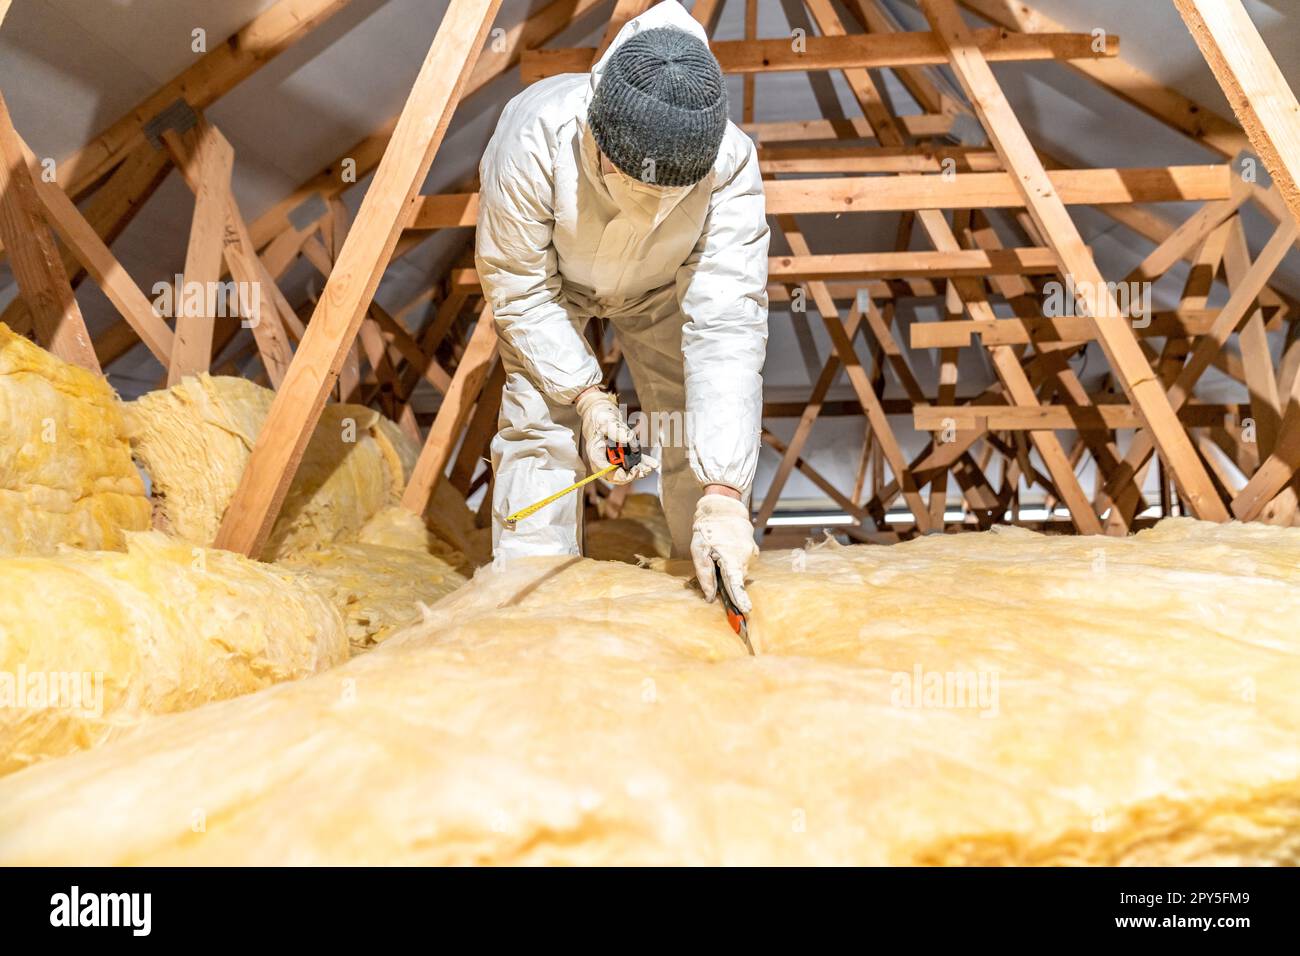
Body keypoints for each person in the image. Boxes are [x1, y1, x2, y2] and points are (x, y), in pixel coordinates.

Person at [476, 0, 769, 611]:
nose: (649, 207)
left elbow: (726, 325)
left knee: (689, 425)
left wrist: (725, 492)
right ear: (598, 137)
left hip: (662, 290)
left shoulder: (732, 165)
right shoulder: (534, 133)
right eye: (633, 186)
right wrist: (588, 398)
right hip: (553, 286)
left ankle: (712, 581)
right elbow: (519, 286)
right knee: (540, 423)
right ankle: (530, 609)